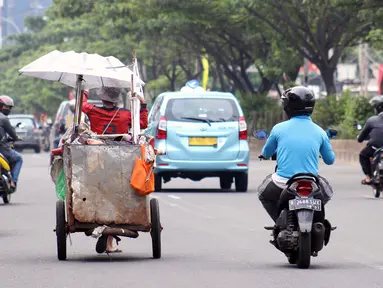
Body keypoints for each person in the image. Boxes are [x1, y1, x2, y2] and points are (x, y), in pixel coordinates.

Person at [82, 87, 148, 253]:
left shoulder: (93, 110)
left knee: (99, 192)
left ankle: (106, 236)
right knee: (117, 193)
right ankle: (110, 241)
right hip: (121, 159)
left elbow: (82, 105)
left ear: (102, 99)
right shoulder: (126, 114)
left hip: (97, 158)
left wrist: (84, 91)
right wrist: (143, 104)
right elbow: (142, 124)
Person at [257, 86, 335, 224]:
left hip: (282, 182)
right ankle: (317, 220)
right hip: (312, 182)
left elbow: (267, 152)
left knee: (263, 193)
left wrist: (263, 155)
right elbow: (330, 160)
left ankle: (280, 223)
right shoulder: (320, 132)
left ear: (287, 106)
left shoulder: (278, 129)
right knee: (328, 193)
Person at [357, 95, 383, 185]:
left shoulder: (372, 120)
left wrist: (360, 139)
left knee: (363, 155)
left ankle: (368, 177)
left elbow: (361, 137)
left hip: (375, 147)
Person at [0, 95, 23, 192]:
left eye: (9, 107)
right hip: (3, 149)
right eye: (6, 107)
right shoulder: (3, 118)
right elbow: (12, 133)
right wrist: (16, 138)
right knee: (19, 159)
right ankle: (13, 181)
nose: (8, 109)